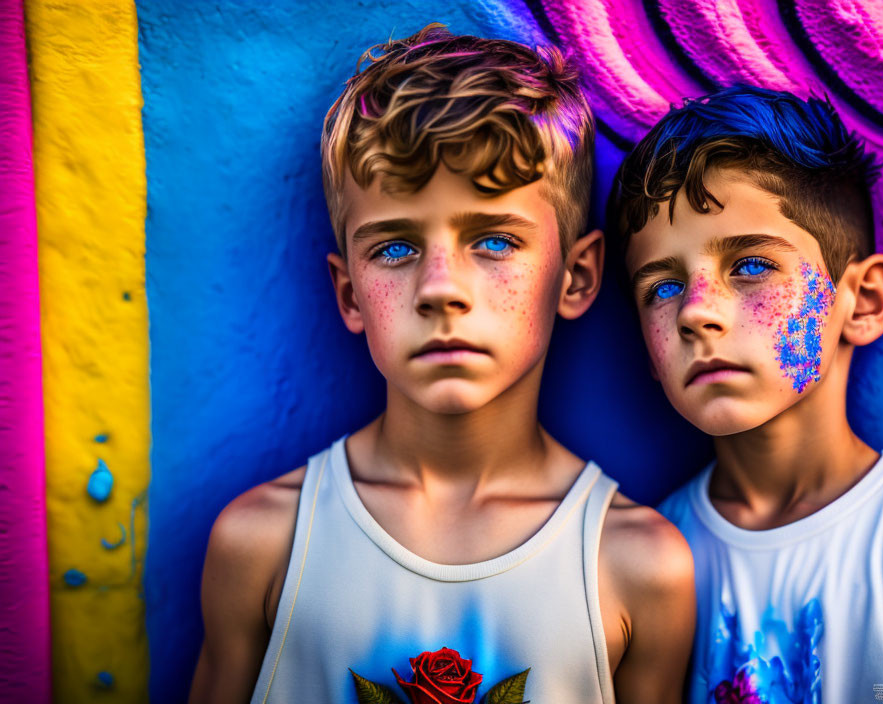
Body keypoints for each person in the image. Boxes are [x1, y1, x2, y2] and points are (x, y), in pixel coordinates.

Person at [188, 24, 694, 704]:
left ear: (575, 276)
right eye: (395, 249)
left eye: (492, 240)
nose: (440, 288)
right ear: (350, 294)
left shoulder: (638, 567)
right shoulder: (263, 545)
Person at [612, 85, 883, 704]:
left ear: (863, 301)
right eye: (660, 287)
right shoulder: (641, 562)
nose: (695, 312)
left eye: (749, 265)